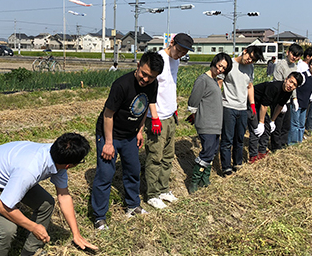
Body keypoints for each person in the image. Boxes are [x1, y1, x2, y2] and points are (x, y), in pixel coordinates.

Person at [0, 133, 98, 256]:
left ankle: (30, 252)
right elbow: (3, 207)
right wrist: (33, 227)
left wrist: (76, 234)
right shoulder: (30, 170)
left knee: (46, 204)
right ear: (70, 165)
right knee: (7, 229)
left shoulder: (58, 158)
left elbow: (63, 196)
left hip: (9, 174)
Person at [91, 51, 164, 230]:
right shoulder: (121, 85)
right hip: (110, 133)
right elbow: (108, 115)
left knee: (133, 169)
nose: (145, 79)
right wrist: (108, 143)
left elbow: (144, 107)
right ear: (138, 66)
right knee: (105, 174)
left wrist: (139, 131)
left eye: (151, 77)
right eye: (143, 74)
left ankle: (132, 206)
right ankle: (99, 217)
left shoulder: (152, 85)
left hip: (130, 134)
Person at [144, 33, 194, 209]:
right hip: (157, 117)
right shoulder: (158, 59)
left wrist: (174, 108)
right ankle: (151, 194)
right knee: (154, 156)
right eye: (178, 50)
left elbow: (170, 85)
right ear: (171, 43)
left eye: (183, 53)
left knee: (167, 156)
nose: (179, 54)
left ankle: (163, 188)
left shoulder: (176, 61)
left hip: (170, 115)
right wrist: (154, 117)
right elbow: (149, 90)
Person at [186, 52, 233, 193]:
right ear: (214, 62)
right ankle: (194, 180)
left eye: (224, 69)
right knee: (207, 152)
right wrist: (195, 115)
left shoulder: (214, 80)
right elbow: (193, 101)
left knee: (212, 152)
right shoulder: (203, 80)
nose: (220, 70)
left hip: (216, 123)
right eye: (220, 66)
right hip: (206, 123)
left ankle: (204, 178)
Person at [219, 46, 264, 176]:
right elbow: (219, 82)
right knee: (227, 139)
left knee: (239, 138)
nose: (249, 61)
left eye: (253, 60)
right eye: (249, 57)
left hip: (243, 108)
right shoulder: (229, 64)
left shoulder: (250, 68)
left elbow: (250, 86)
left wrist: (252, 104)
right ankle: (226, 167)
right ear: (244, 51)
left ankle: (237, 164)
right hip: (228, 106)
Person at [248, 72, 303, 162]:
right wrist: (261, 122)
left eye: (294, 85)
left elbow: (280, 106)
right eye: (290, 81)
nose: (290, 85)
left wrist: (272, 120)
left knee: (267, 128)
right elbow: (264, 105)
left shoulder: (288, 92)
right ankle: (253, 156)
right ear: (286, 79)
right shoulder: (274, 87)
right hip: (252, 103)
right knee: (256, 128)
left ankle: (261, 152)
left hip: (261, 105)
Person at [271, 43, 303, 151]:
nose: (295, 57)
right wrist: (281, 102)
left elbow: (294, 85)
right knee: (277, 125)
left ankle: (283, 144)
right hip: (279, 99)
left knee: (286, 125)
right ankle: (275, 147)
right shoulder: (281, 65)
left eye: (298, 56)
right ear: (288, 52)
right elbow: (278, 84)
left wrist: (294, 98)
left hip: (288, 99)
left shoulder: (294, 66)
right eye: (294, 54)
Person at [288, 58, 312, 145]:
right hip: (297, 102)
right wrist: (294, 99)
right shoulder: (303, 76)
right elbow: (295, 87)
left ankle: (299, 141)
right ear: (309, 65)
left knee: (302, 124)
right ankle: (292, 143)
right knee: (295, 123)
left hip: (305, 103)